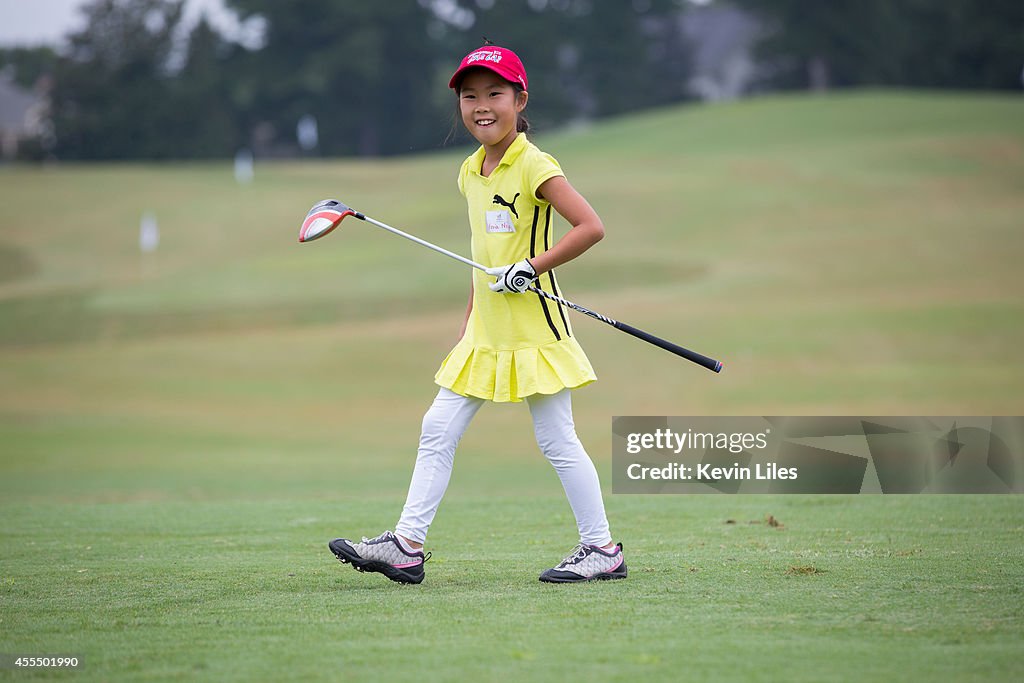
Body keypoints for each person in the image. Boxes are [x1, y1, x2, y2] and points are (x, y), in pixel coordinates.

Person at [329, 44, 626, 585]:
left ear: (520, 99)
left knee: (557, 440)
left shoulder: (536, 164)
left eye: (495, 94)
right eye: (470, 96)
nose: (481, 105)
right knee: (437, 428)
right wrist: (468, 324)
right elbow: (479, 259)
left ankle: (601, 548)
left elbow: (591, 227)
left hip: (534, 327)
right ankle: (406, 545)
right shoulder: (469, 171)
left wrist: (531, 268)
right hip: (484, 330)